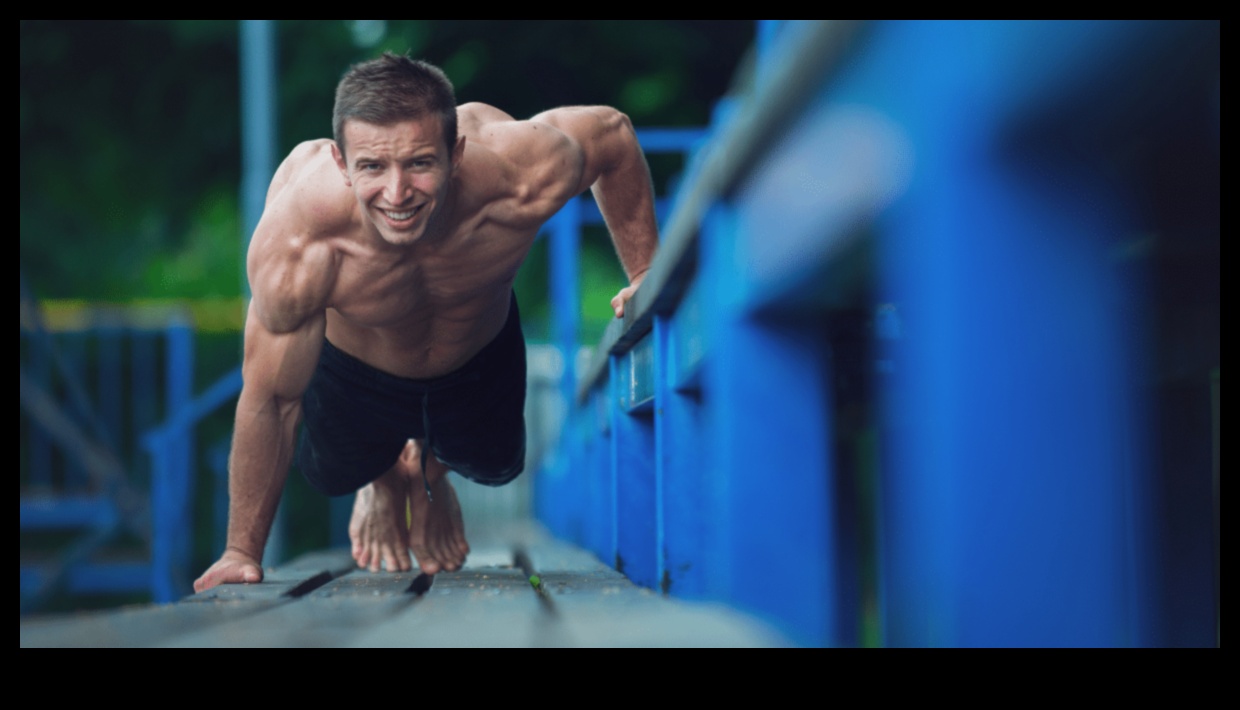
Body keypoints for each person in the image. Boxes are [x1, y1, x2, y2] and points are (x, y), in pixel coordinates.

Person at [193, 53, 656, 592]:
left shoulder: (517, 172)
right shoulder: (302, 237)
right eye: (371, 167)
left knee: (497, 462)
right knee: (331, 471)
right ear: (341, 164)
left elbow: (613, 136)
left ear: (455, 152)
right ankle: (385, 482)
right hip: (356, 371)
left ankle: (428, 472)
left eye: (419, 163)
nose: (397, 194)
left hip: (477, 357)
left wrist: (645, 270)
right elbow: (272, 400)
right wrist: (239, 551)